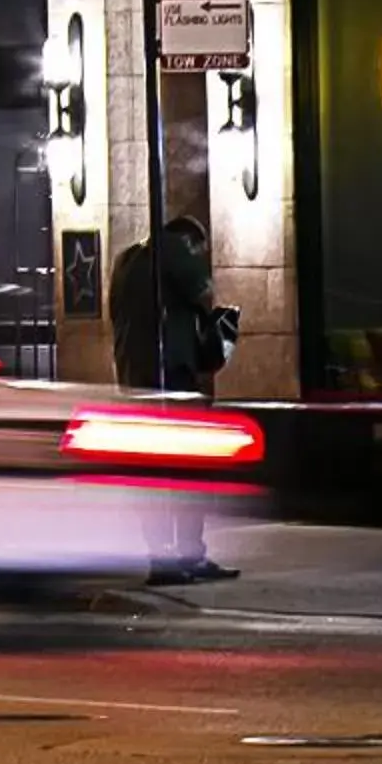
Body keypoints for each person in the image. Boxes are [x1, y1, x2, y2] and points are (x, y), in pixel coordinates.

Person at [107, 214, 240, 584]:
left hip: (134, 378)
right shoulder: (173, 250)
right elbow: (204, 293)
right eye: (200, 250)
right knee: (189, 470)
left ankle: (162, 554)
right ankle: (186, 555)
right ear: (190, 242)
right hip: (173, 376)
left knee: (152, 473)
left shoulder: (125, 260)